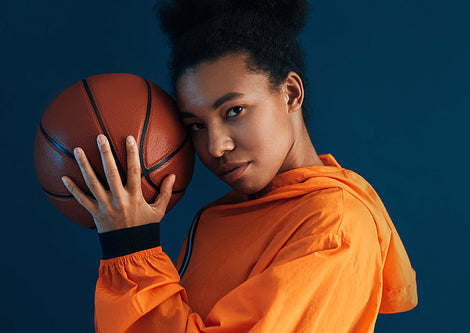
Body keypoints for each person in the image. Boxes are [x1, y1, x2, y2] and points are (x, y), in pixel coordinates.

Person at [61, 0, 418, 332]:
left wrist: (132, 249)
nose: (216, 147)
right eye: (197, 126)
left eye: (234, 111)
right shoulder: (226, 214)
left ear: (290, 93)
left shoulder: (333, 225)